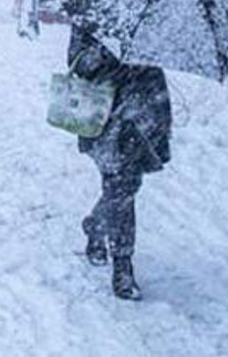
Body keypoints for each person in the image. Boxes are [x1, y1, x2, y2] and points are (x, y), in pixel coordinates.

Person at [67, 28, 172, 300]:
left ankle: (95, 225)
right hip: (105, 118)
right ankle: (122, 264)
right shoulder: (94, 14)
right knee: (120, 188)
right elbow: (79, 62)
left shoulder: (153, 15)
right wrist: (111, 56)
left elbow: (161, 62)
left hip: (143, 115)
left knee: (126, 186)